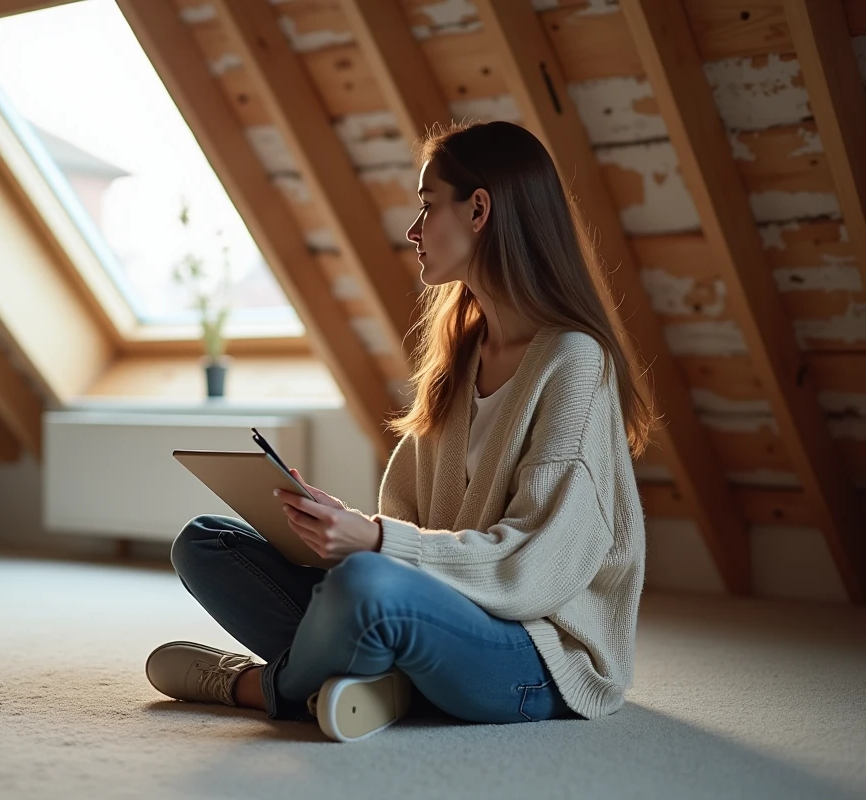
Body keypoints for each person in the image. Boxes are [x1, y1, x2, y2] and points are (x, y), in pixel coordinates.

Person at [145, 120, 652, 743]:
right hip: (433, 612)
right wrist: (337, 524)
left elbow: (534, 569)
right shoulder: (461, 357)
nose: (412, 231)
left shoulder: (574, 361)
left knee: (367, 585)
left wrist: (376, 543)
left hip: (537, 655)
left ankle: (259, 686)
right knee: (206, 543)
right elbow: (407, 520)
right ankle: (374, 675)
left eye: (426, 205)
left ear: (479, 210)